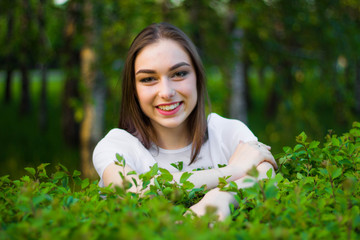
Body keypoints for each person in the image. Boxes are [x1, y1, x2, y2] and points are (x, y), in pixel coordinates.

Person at [93, 22, 277, 220]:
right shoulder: (116, 146)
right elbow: (133, 190)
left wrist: (220, 198)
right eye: (148, 79)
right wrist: (234, 170)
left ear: (197, 77)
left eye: (179, 74)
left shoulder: (225, 132)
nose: (166, 92)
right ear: (134, 90)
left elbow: (265, 173)